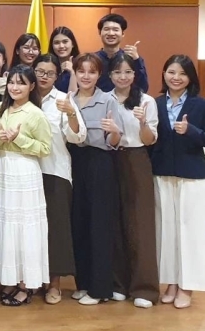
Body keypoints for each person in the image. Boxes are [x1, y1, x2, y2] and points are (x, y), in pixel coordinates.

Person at [152, 55, 205, 309]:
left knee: (191, 233)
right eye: (171, 72)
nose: (176, 77)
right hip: (162, 174)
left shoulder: (202, 105)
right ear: (164, 74)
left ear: (190, 77)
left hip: (192, 177)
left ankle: (187, 285)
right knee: (166, 231)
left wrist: (191, 131)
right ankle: (170, 282)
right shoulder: (156, 103)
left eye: (182, 73)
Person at [0, 65, 53, 307]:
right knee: (7, 227)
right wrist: (2, 138)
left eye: (21, 83)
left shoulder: (36, 113)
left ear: (31, 86)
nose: (15, 87)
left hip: (25, 171)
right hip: (3, 169)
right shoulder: (1, 109)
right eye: (12, 83)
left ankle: (27, 284)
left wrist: (18, 138)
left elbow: (45, 148)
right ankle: (10, 278)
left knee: (26, 228)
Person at [69, 53, 124, 305]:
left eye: (92, 72)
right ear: (76, 73)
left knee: (99, 225)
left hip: (99, 164)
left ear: (99, 75)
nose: (86, 76)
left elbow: (114, 142)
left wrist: (114, 133)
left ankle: (100, 289)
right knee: (79, 223)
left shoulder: (108, 100)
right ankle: (84, 282)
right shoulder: (68, 100)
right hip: (74, 163)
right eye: (82, 71)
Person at [32, 54, 87, 305]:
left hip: (55, 171)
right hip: (25, 173)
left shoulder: (63, 100)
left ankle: (53, 284)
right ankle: (32, 281)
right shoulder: (21, 96)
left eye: (50, 73)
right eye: (40, 71)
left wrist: (72, 115)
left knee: (55, 230)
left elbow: (78, 137)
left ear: (57, 76)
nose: (44, 77)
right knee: (31, 230)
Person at [106, 53, 159, 309]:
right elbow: (109, 140)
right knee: (115, 222)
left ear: (134, 75)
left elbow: (149, 140)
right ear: (110, 76)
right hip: (112, 160)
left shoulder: (147, 101)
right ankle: (118, 284)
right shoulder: (106, 100)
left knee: (140, 224)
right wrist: (114, 134)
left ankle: (145, 288)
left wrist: (142, 122)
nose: (122, 77)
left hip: (137, 160)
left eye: (127, 72)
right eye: (117, 72)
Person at [94, 14, 148, 92]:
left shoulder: (132, 58)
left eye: (115, 30)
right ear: (100, 32)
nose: (111, 33)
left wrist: (136, 60)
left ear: (123, 34)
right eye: (106, 29)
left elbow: (143, 88)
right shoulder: (93, 60)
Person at [48, 27, 80, 93]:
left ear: (72, 44)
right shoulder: (47, 66)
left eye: (65, 42)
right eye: (56, 43)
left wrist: (72, 73)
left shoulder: (81, 65)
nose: (61, 46)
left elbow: (74, 98)